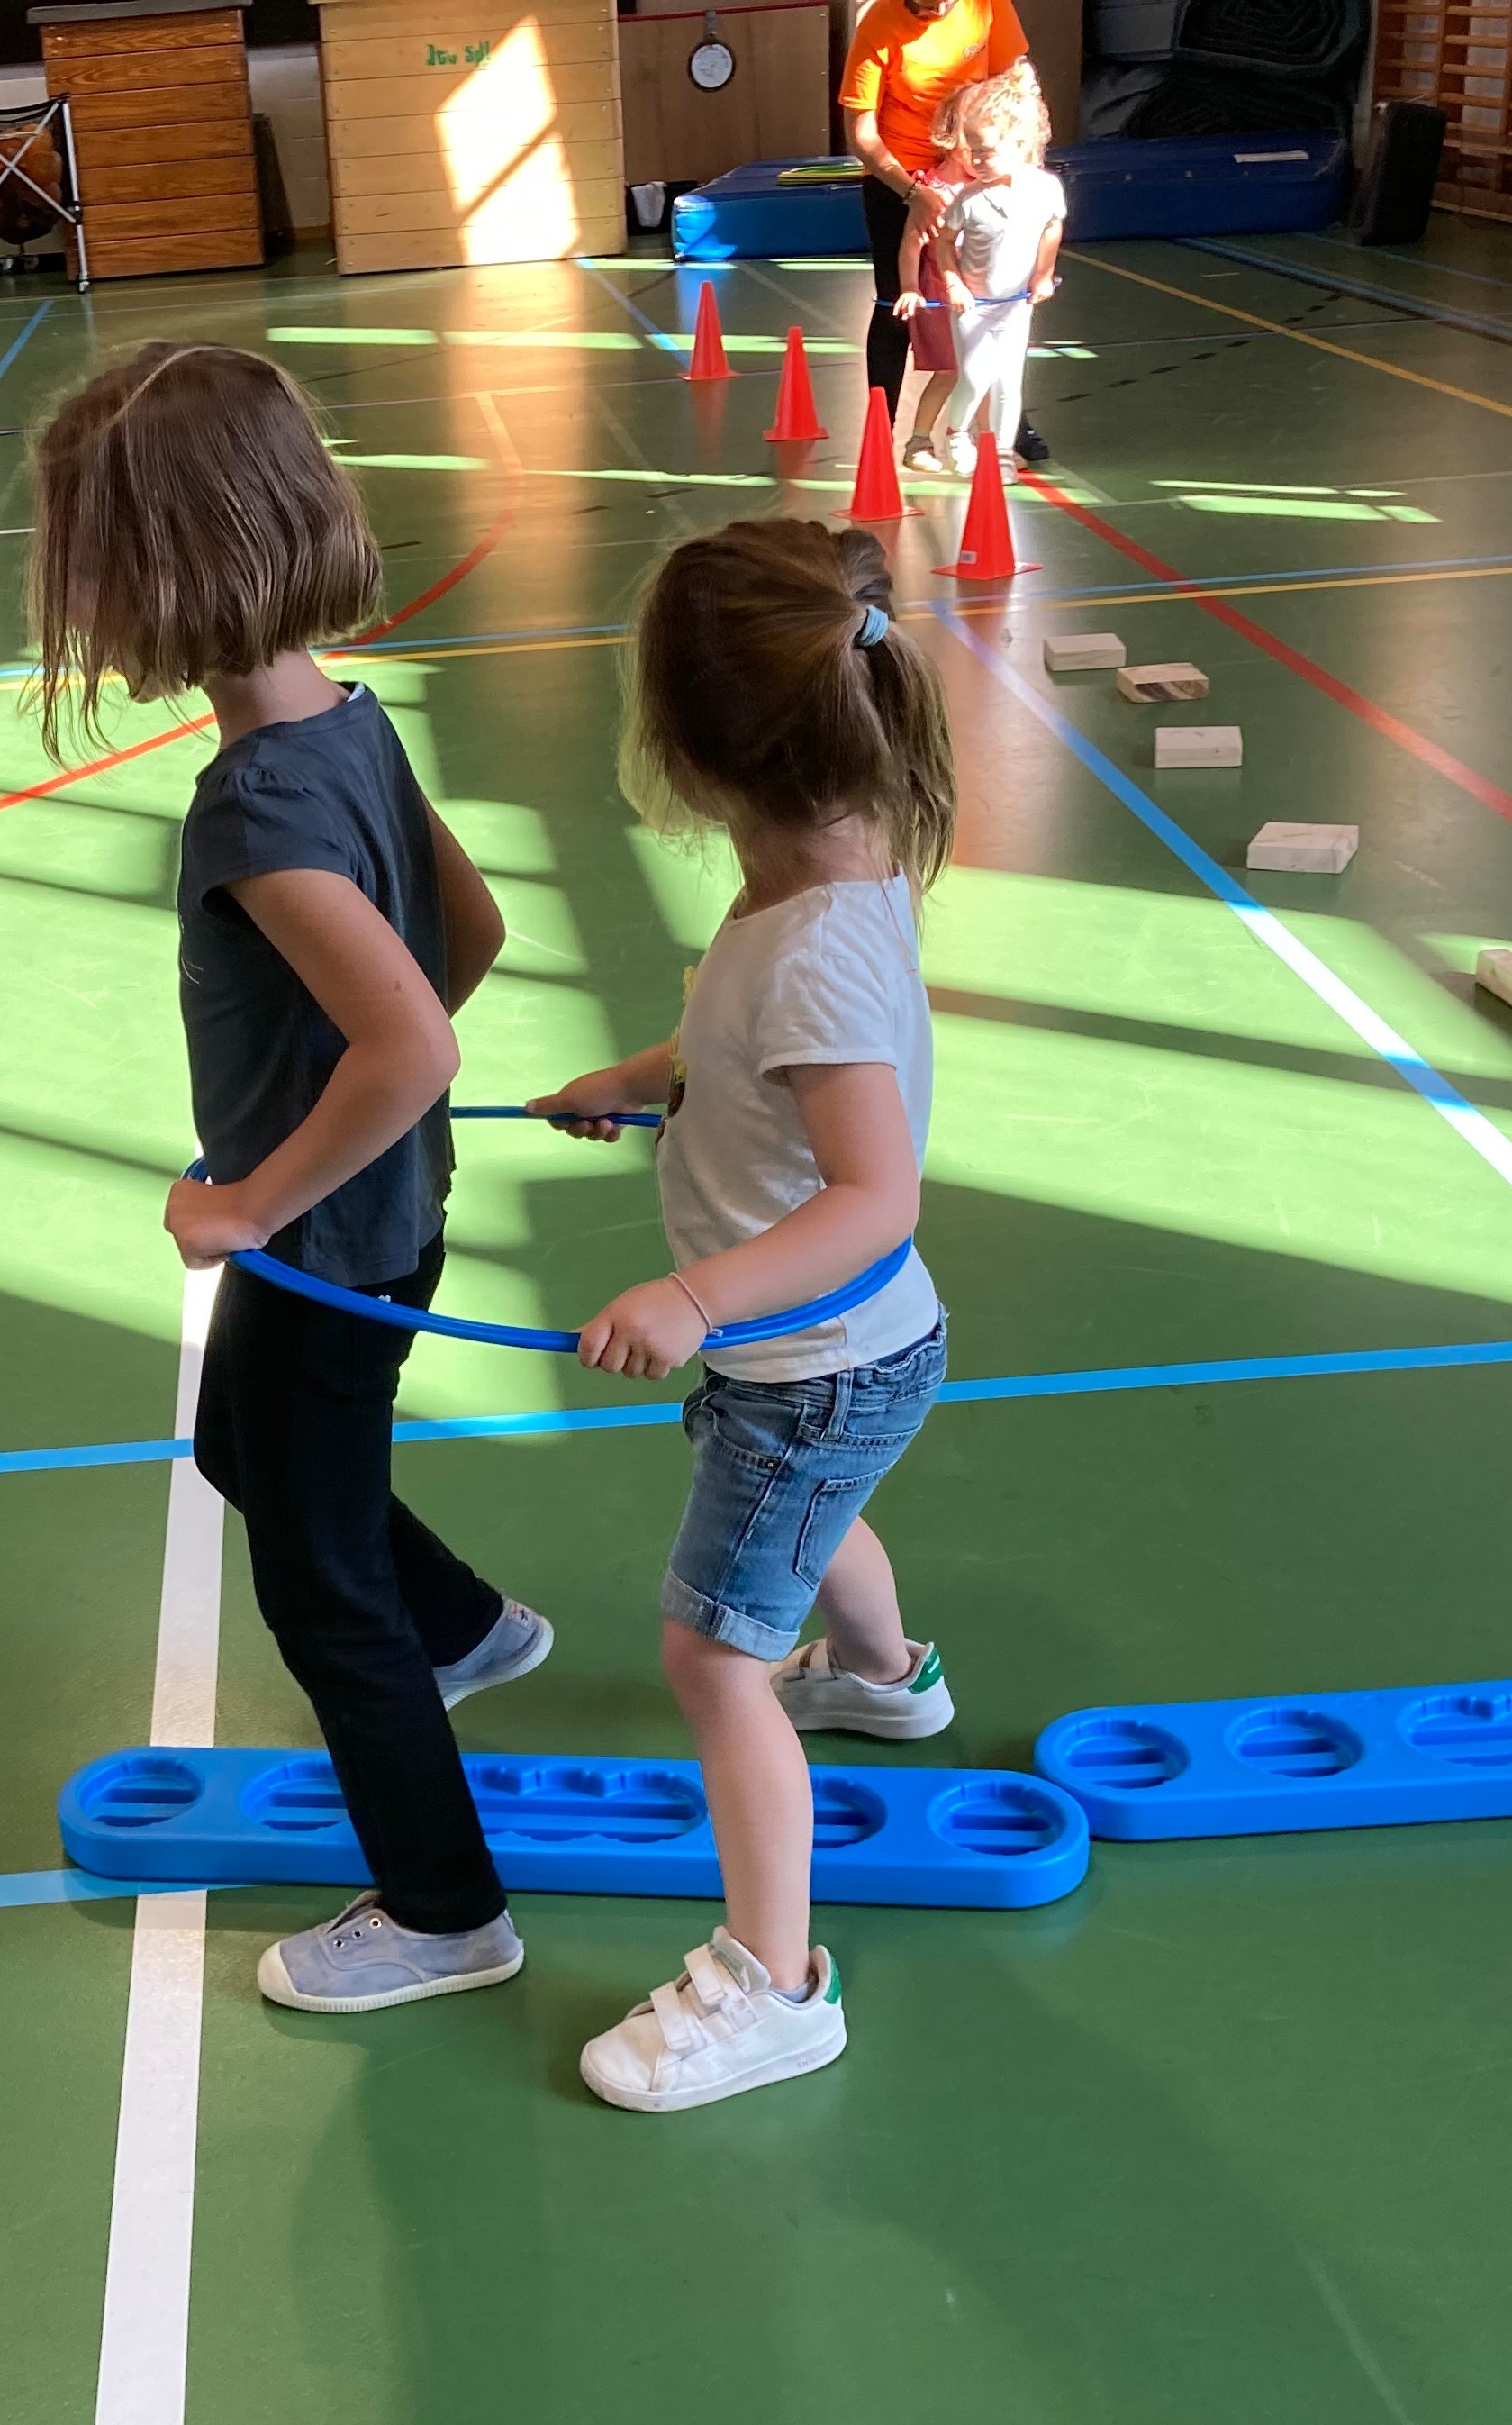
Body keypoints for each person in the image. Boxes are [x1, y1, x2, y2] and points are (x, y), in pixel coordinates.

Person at [29, 341, 552, 2015]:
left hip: (324, 1248)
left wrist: (254, 1198)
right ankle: (465, 1629)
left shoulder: (254, 807)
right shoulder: (349, 724)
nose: (72, 605)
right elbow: (471, 934)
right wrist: (345, 1092)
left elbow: (414, 1042)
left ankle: (445, 1910)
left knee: (323, 1596)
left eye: (84, 569)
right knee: (233, 1445)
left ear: (167, 570)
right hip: (370, 1220)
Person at [524, 520, 956, 2115]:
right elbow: (742, 1046)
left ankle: (774, 1982)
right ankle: (886, 1676)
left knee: (712, 1657)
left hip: (809, 1359)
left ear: (692, 755)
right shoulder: (825, 878)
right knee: (816, 1510)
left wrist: (693, 1292)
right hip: (844, 1358)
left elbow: (874, 1192)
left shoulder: (810, 951)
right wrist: (643, 1079)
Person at [839, 0, 1028, 450]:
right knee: (896, 301)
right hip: (899, 173)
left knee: (992, 299)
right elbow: (862, 135)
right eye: (927, 2)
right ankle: (878, 430)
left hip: (972, 165)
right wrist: (912, 193)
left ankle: (1008, 428)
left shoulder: (987, 6)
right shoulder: (879, 25)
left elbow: (1016, 86)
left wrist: (1018, 159)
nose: (939, 7)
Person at [893, 66, 1064, 476]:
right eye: (974, 151)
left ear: (1020, 144)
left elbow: (1051, 226)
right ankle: (956, 432)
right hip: (973, 307)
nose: (978, 160)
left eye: (987, 151)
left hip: (1015, 306)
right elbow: (941, 242)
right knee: (971, 375)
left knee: (1008, 381)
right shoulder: (968, 199)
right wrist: (952, 283)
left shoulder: (1045, 189)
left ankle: (1000, 452)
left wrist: (1043, 274)